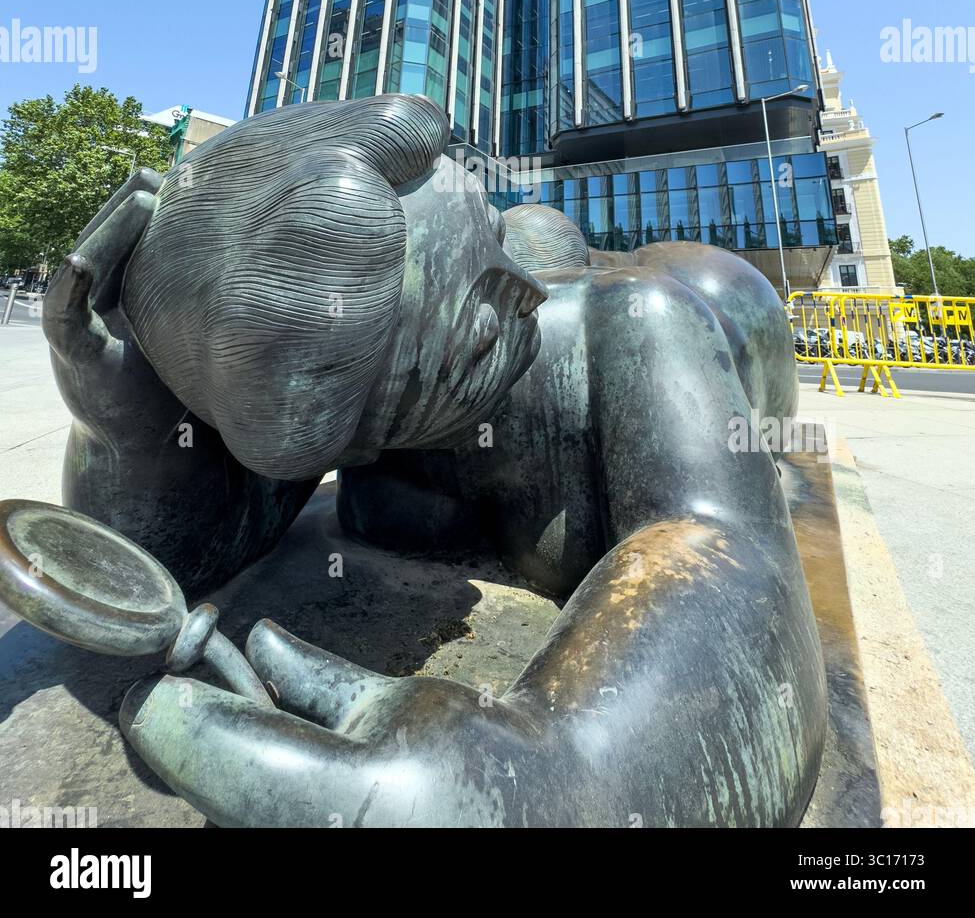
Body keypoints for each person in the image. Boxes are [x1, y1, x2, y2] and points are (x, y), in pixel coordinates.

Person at [44, 94, 826, 827]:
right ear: (359, 438)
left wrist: (561, 774)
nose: (521, 291)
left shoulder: (634, 326)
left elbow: (724, 549)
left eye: (485, 232)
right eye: (463, 339)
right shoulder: (345, 385)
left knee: (706, 289)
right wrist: (139, 436)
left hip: (718, 304)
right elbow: (177, 558)